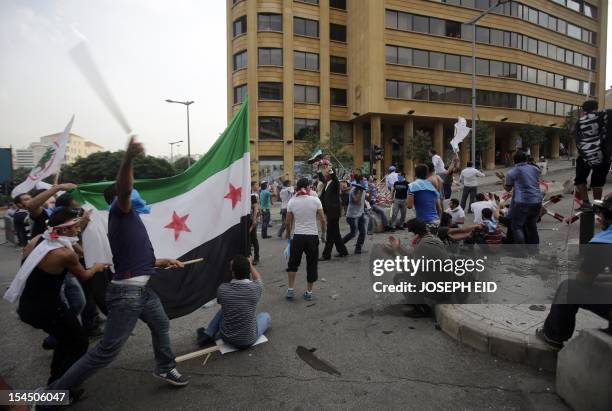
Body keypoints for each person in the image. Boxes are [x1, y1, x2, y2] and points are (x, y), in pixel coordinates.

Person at [48, 137, 189, 392]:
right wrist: (129, 158)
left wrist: (165, 260)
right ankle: (53, 394)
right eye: (131, 191)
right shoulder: (120, 211)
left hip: (142, 291)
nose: (136, 193)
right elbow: (124, 189)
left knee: (161, 323)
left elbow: (134, 258)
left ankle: (165, 366)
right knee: (106, 350)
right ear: (121, 197)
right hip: (127, 294)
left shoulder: (130, 218)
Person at [13, 208, 108, 387]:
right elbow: (85, 276)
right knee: (78, 342)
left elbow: (77, 249)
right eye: (75, 226)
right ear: (63, 229)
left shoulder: (38, 239)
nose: (78, 229)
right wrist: (97, 266)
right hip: (48, 308)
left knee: (67, 340)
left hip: (28, 304)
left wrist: (84, 221)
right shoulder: (64, 254)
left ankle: (56, 381)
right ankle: (59, 388)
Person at [536, 194, 612, 348]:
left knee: (569, 287)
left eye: (602, 213)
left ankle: (553, 336)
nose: (599, 216)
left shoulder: (602, 243)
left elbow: (583, 280)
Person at [196, 256, 270, 348]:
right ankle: (210, 333)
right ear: (248, 271)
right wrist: (250, 264)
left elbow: (222, 303)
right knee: (266, 316)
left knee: (225, 308)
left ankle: (208, 333)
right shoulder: (256, 288)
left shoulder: (222, 289)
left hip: (226, 338)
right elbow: (258, 278)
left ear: (233, 272)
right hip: (248, 339)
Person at [285, 178, 327, 301]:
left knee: (292, 264)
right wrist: (323, 234)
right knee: (312, 264)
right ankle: (309, 292)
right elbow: (323, 220)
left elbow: (287, 222)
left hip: (298, 236)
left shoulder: (292, 202)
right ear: (308, 187)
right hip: (312, 237)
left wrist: (288, 235)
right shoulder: (315, 200)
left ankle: (290, 290)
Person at [574, 100, 610, 209]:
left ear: (584, 109)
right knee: (598, 182)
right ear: (596, 107)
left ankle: (585, 202)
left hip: (585, 154)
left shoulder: (579, 121)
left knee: (580, 179)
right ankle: (597, 205)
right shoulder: (604, 116)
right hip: (602, 155)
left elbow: (575, 136)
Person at [504, 150, 543, 245]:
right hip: (537, 200)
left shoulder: (512, 172)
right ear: (526, 159)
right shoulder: (535, 169)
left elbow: (508, 188)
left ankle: (522, 251)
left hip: (522, 202)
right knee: (532, 226)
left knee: (517, 226)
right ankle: (534, 250)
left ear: (514, 161)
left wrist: (502, 180)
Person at [319, 164, 349, 260]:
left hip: (333, 213)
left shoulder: (335, 182)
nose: (325, 173)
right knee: (336, 234)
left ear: (330, 174)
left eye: (326, 172)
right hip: (329, 212)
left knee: (330, 234)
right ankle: (343, 251)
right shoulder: (327, 183)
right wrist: (319, 168)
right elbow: (321, 178)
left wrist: (330, 169)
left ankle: (326, 255)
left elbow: (334, 177)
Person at [342, 181, 367, 254]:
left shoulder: (363, 190)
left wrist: (367, 207)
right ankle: (340, 244)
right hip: (352, 215)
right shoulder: (353, 191)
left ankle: (358, 249)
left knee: (362, 232)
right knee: (353, 233)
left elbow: (364, 200)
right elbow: (357, 201)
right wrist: (361, 191)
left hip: (360, 213)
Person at [249, 194, 260, 265]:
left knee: (254, 239)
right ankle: (248, 257)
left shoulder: (252, 197)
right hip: (243, 221)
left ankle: (256, 257)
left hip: (251, 220)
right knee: (247, 240)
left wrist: (254, 219)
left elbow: (256, 208)